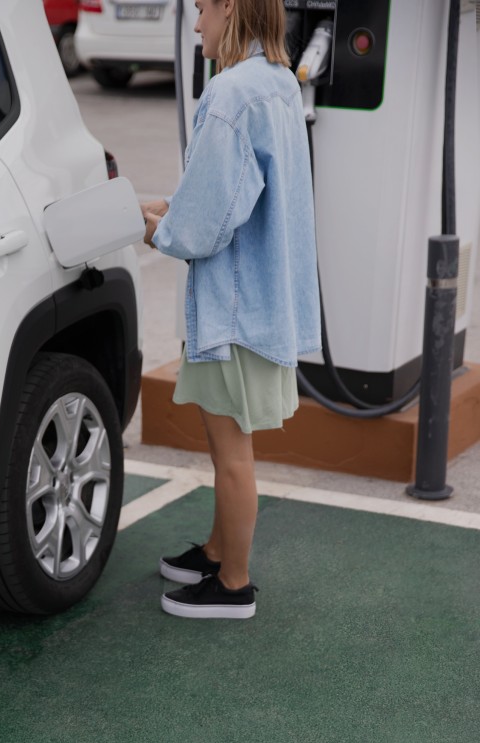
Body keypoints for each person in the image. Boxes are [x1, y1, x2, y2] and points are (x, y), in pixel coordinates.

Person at [142, 0, 321, 619]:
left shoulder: (229, 93)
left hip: (234, 308)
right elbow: (236, 194)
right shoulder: (276, 82)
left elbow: (208, 223)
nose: (196, 26)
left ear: (228, 9)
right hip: (263, 301)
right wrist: (174, 209)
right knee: (228, 444)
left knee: (231, 451)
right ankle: (219, 551)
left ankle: (234, 585)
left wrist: (158, 229)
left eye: (200, 10)